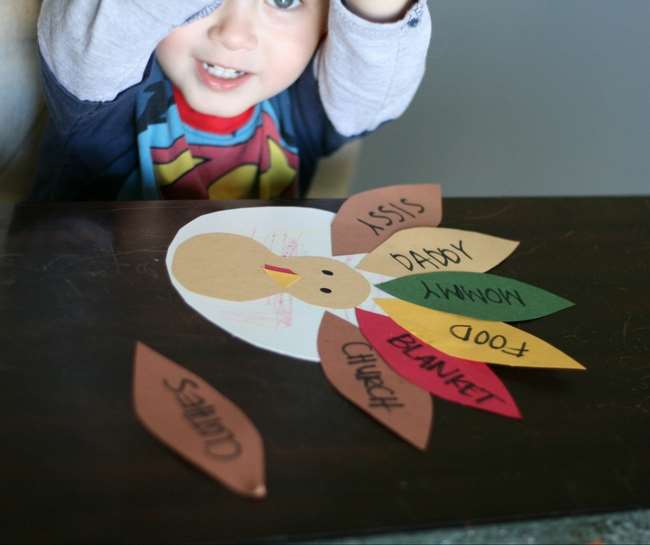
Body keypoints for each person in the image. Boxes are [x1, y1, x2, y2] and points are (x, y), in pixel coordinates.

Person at [34, 0, 431, 201]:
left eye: (283, 0)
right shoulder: (109, 92)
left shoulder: (306, 106)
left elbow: (376, 75)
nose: (233, 35)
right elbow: (95, 30)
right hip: (100, 328)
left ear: (328, 26)